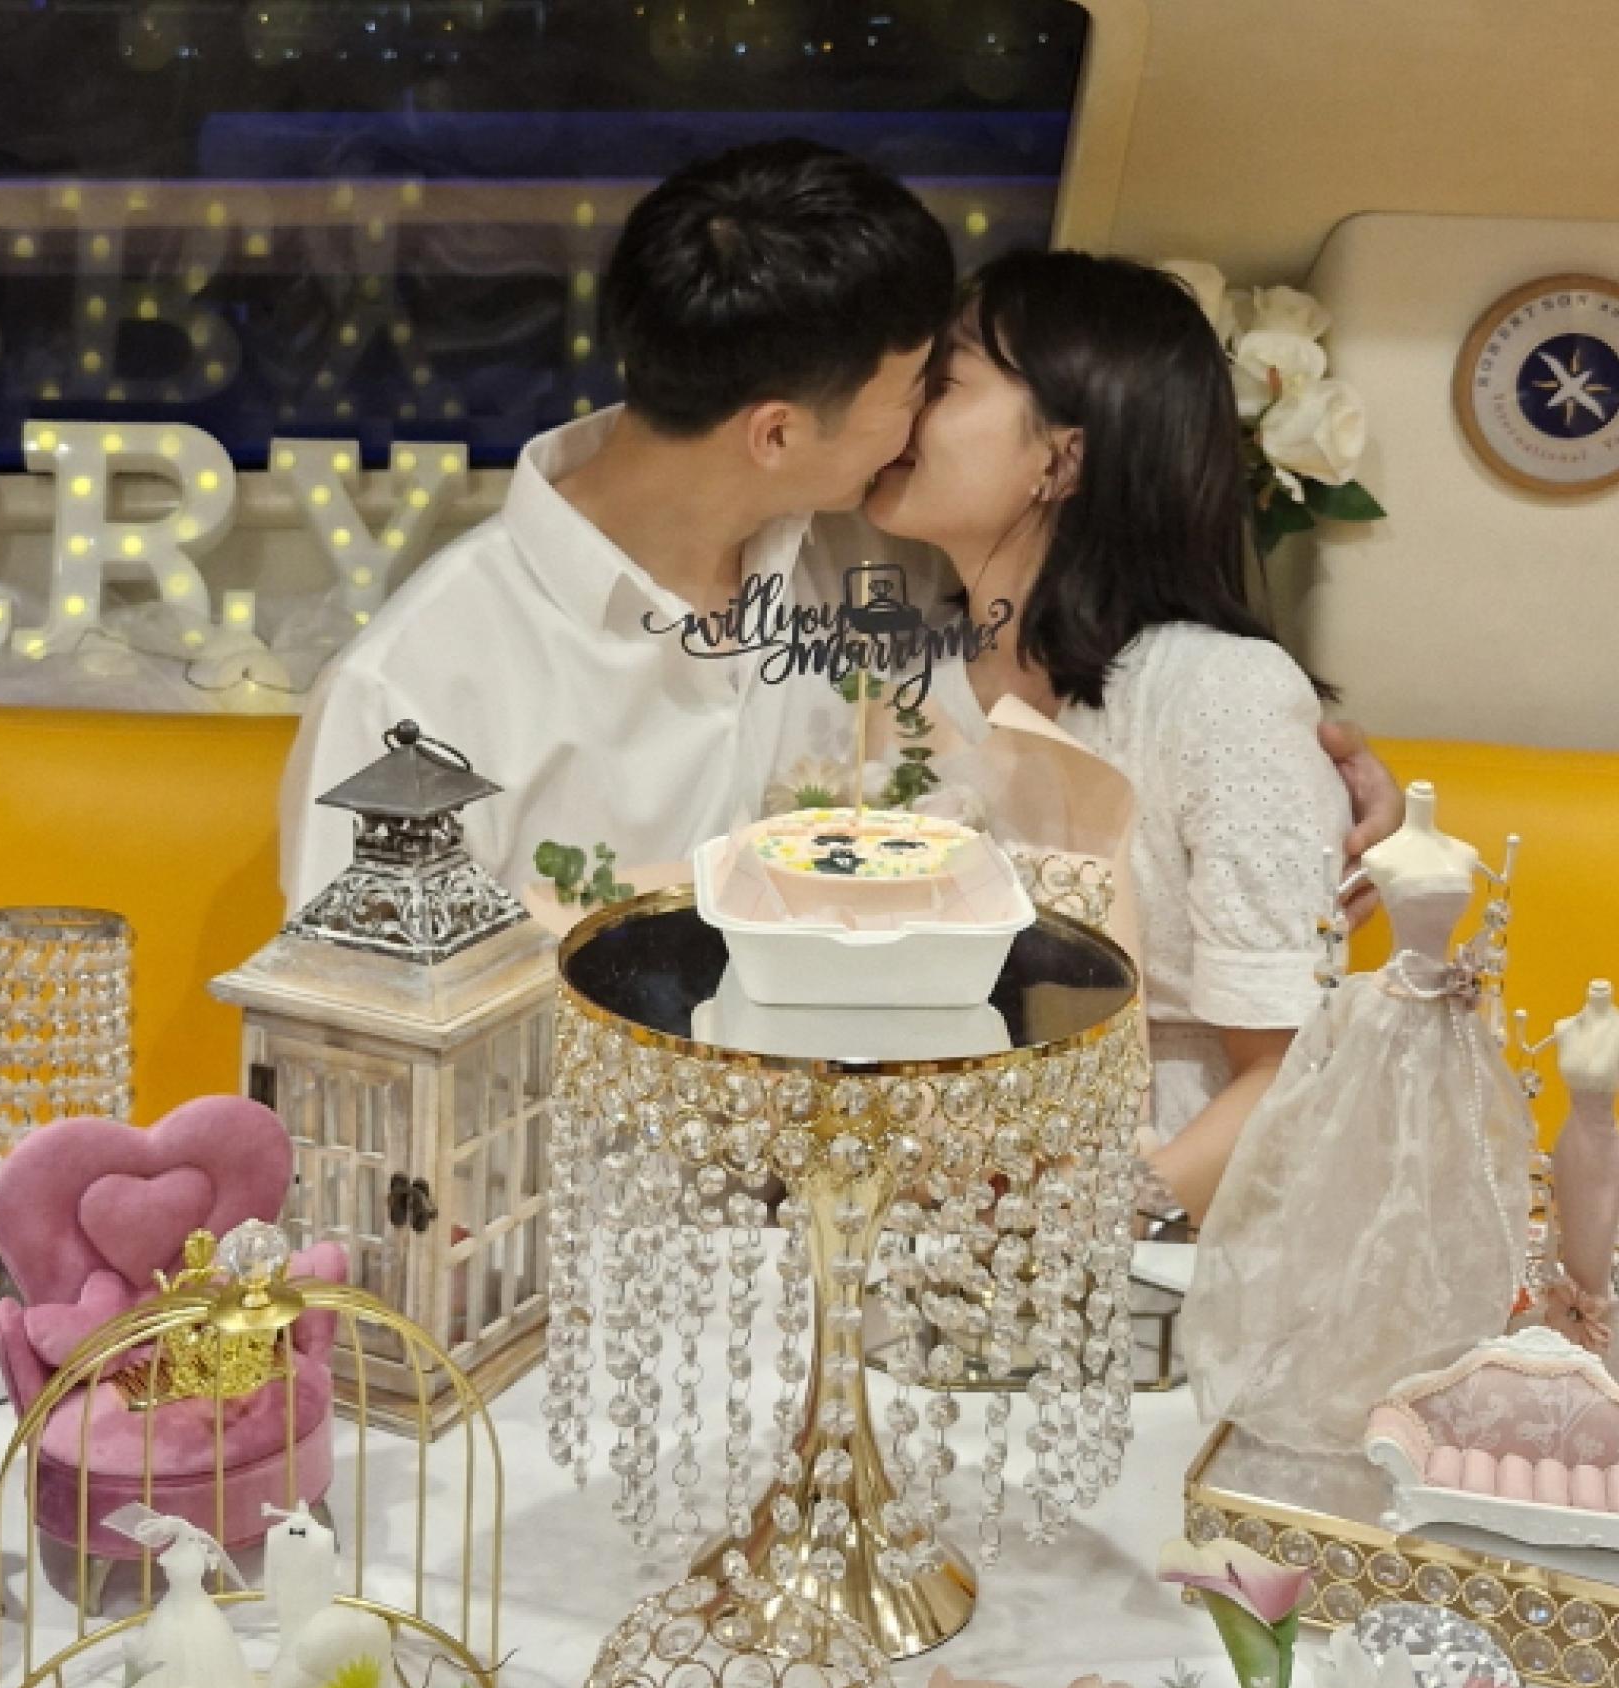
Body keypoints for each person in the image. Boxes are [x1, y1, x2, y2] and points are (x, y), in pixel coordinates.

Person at [276, 141, 1405, 919]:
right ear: (775, 433)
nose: (921, 420)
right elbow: (360, 1046)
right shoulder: (417, 696)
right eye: (918, 382)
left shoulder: (882, 555)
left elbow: (1110, 682)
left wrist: (1310, 788)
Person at [863, 247, 1351, 1221]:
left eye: (945, 382)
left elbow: (1289, 1070)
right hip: (934, 1200)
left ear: (1062, 458)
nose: (904, 411)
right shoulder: (905, 678)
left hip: (1177, 1226)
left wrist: (1084, 1235)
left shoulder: (1219, 693)